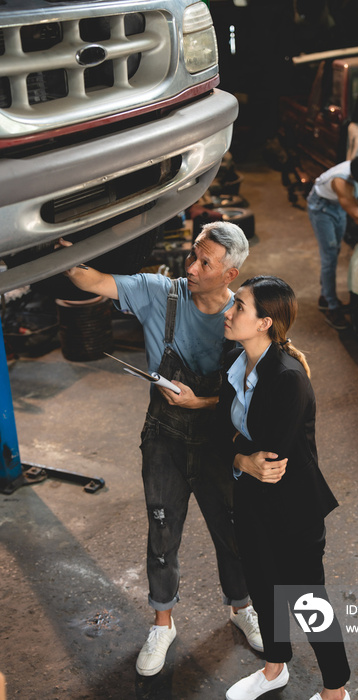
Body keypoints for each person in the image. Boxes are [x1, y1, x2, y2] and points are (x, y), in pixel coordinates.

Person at [60, 222, 263, 677]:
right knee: (162, 530)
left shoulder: (242, 317)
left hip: (219, 442)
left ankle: (241, 607)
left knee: (232, 532)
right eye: (192, 255)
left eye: (204, 262)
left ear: (229, 274)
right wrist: (57, 247)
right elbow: (89, 280)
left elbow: (252, 393)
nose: (190, 267)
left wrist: (203, 401)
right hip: (164, 438)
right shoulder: (160, 293)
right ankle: (163, 623)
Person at [214, 275, 351, 700]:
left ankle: (336, 691)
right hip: (251, 500)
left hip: (293, 510)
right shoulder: (234, 363)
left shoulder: (287, 378)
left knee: (309, 602)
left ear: (264, 323)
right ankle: (274, 669)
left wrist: (237, 451)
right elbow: (222, 432)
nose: (228, 311)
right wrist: (239, 457)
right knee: (264, 587)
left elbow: (269, 456)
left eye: (238, 306)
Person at [307, 154, 358, 330]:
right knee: (329, 256)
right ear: (355, 178)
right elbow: (357, 216)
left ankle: (325, 297)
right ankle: (332, 307)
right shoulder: (341, 182)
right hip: (322, 208)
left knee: (335, 251)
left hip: (338, 205)